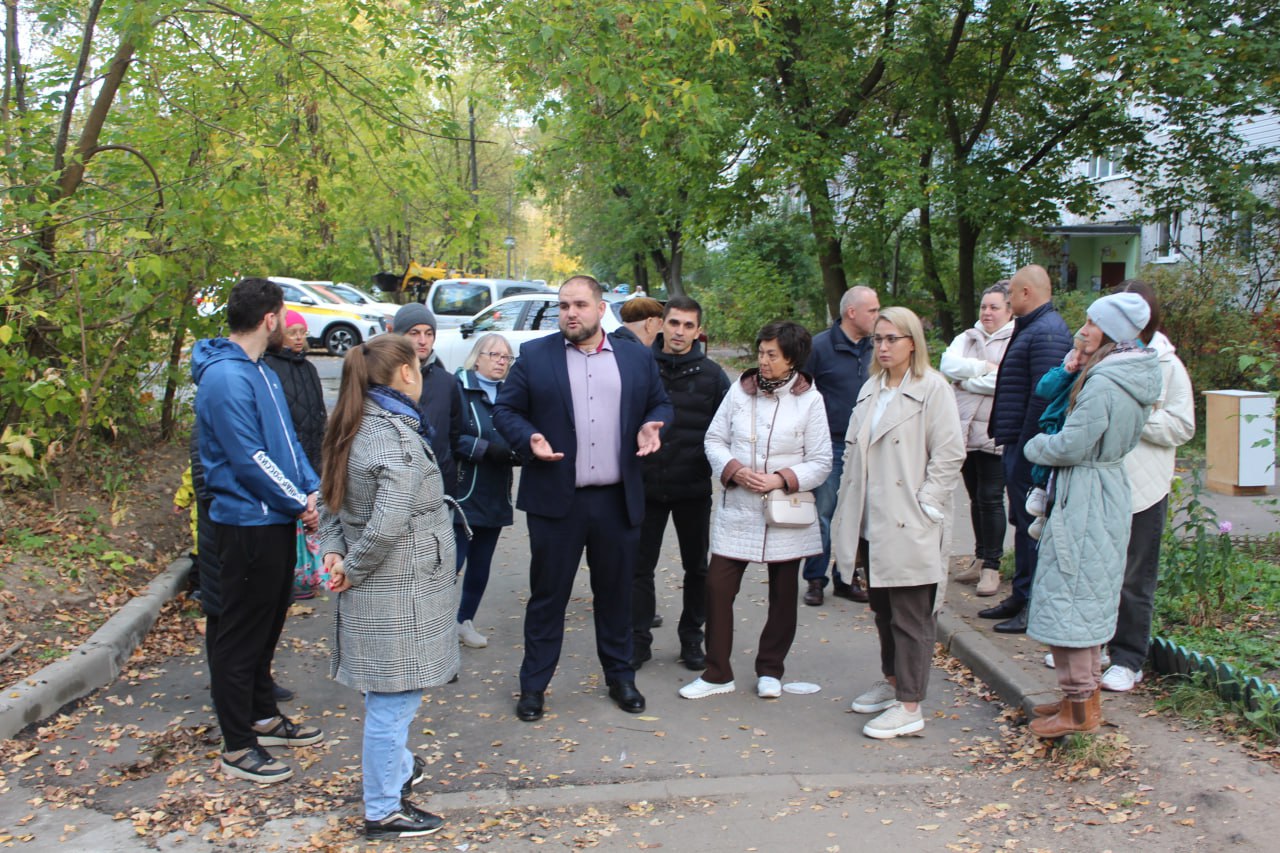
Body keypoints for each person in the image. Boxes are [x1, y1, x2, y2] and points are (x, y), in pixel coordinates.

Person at [493, 275, 673, 723]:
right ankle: (533, 686)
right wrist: (528, 436)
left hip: (616, 499)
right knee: (548, 597)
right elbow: (505, 410)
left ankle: (621, 678)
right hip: (558, 501)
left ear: (599, 309)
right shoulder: (536, 356)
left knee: (615, 594)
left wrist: (654, 424)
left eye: (579, 305)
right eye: (563, 306)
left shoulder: (634, 356)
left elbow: (660, 404)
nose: (570, 313)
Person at [319, 335, 459, 840]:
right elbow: (386, 522)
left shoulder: (357, 422)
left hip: (392, 582)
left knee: (390, 693)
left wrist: (332, 551)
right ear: (404, 373)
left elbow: (329, 497)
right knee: (393, 699)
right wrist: (351, 565)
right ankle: (383, 809)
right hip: (399, 585)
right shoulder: (392, 435)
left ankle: (396, 771)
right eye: (418, 364)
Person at [191, 277, 322, 785]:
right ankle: (237, 744)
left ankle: (262, 717)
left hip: (277, 519)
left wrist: (309, 489)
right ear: (270, 319)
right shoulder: (227, 377)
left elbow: (285, 442)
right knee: (240, 634)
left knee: (267, 625)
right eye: (283, 315)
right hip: (246, 524)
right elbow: (248, 457)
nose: (285, 324)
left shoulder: (259, 370)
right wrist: (297, 502)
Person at [1023, 292, 1161, 737]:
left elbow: (1071, 444)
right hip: (1097, 490)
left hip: (1085, 493)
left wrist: (1035, 447)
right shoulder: (1123, 372)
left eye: (1091, 322)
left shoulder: (1104, 382)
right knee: (1079, 593)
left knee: (1074, 594)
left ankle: (1080, 707)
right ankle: (1077, 699)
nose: (1083, 328)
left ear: (1110, 331)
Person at [679, 320, 831, 701]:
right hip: (739, 508)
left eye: (772, 355)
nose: (763, 361)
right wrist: (735, 470)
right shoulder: (739, 391)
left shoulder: (810, 399)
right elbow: (714, 438)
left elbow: (821, 460)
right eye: (761, 352)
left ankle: (771, 670)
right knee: (717, 587)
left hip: (785, 511)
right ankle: (717, 673)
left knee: (783, 593)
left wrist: (781, 478)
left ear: (792, 359)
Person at [831, 307, 965, 738]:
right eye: (879, 339)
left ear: (913, 343)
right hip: (873, 520)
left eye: (893, 339)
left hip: (909, 521)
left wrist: (926, 503)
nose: (884, 347)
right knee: (882, 610)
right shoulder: (872, 386)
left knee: (911, 615)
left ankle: (910, 704)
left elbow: (949, 453)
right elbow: (854, 446)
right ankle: (893, 684)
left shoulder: (933, 389)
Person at [631, 296, 730, 673]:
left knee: (697, 568)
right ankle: (638, 640)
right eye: (674, 323)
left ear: (698, 330)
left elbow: (727, 431)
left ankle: (692, 638)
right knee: (639, 568)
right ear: (661, 324)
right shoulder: (640, 366)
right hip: (645, 485)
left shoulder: (712, 375)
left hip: (692, 487)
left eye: (689, 326)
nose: (680, 332)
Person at [1104, 280, 1194, 692]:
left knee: (1135, 576)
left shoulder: (1167, 365)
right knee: (1100, 570)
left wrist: (1136, 418)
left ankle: (1129, 659)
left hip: (1146, 486)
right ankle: (1095, 648)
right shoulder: (1104, 357)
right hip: (1103, 481)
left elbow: (1183, 425)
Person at [980, 264, 1073, 634]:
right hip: (1019, 441)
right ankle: (1020, 595)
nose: (1007, 299)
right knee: (1021, 522)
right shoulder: (1033, 327)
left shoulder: (1047, 332)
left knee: (1032, 525)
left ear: (1026, 294)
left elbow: (1045, 397)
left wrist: (1031, 448)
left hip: (1029, 446)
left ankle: (1033, 603)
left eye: (1012, 292)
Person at [802, 285, 880, 606]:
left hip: (870, 444)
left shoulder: (878, 346)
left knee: (859, 516)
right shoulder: (819, 347)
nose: (878, 316)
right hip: (831, 443)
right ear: (852, 312)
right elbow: (800, 392)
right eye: (872, 311)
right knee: (823, 513)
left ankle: (846, 577)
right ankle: (815, 579)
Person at [940, 282, 1015, 597]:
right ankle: (980, 555)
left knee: (991, 497)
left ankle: (992, 568)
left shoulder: (1015, 339)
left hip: (994, 433)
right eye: (984, 306)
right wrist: (983, 369)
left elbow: (1006, 380)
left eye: (994, 307)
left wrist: (965, 382)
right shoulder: (967, 338)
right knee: (974, 497)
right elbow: (947, 366)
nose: (987, 312)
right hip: (964, 432)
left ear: (1009, 311)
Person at [452, 333, 519, 649]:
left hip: (496, 494)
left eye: (506, 357)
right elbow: (448, 436)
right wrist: (485, 449)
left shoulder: (511, 393)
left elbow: (520, 431)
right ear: (477, 357)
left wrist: (522, 450)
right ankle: (431, 625)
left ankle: (464, 621)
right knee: (451, 564)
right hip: (463, 494)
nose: (501, 361)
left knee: (481, 566)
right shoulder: (459, 388)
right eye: (494, 355)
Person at [263, 310, 328, 599]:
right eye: (293, 332)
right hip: (288, 457)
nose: (300, 338)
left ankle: (306, 576)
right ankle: (285, 579)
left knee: (311, 520)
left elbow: (318, 413)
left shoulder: (309, 368)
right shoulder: (270, 367)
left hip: (312, 455)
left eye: (303, 332)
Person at [392, 303, 463, 496]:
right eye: (414, 333)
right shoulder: (383, 379)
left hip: (439, 487)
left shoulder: (447, 382)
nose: (422, 340)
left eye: (429, 333)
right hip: (395, 489)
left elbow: (454, 435)